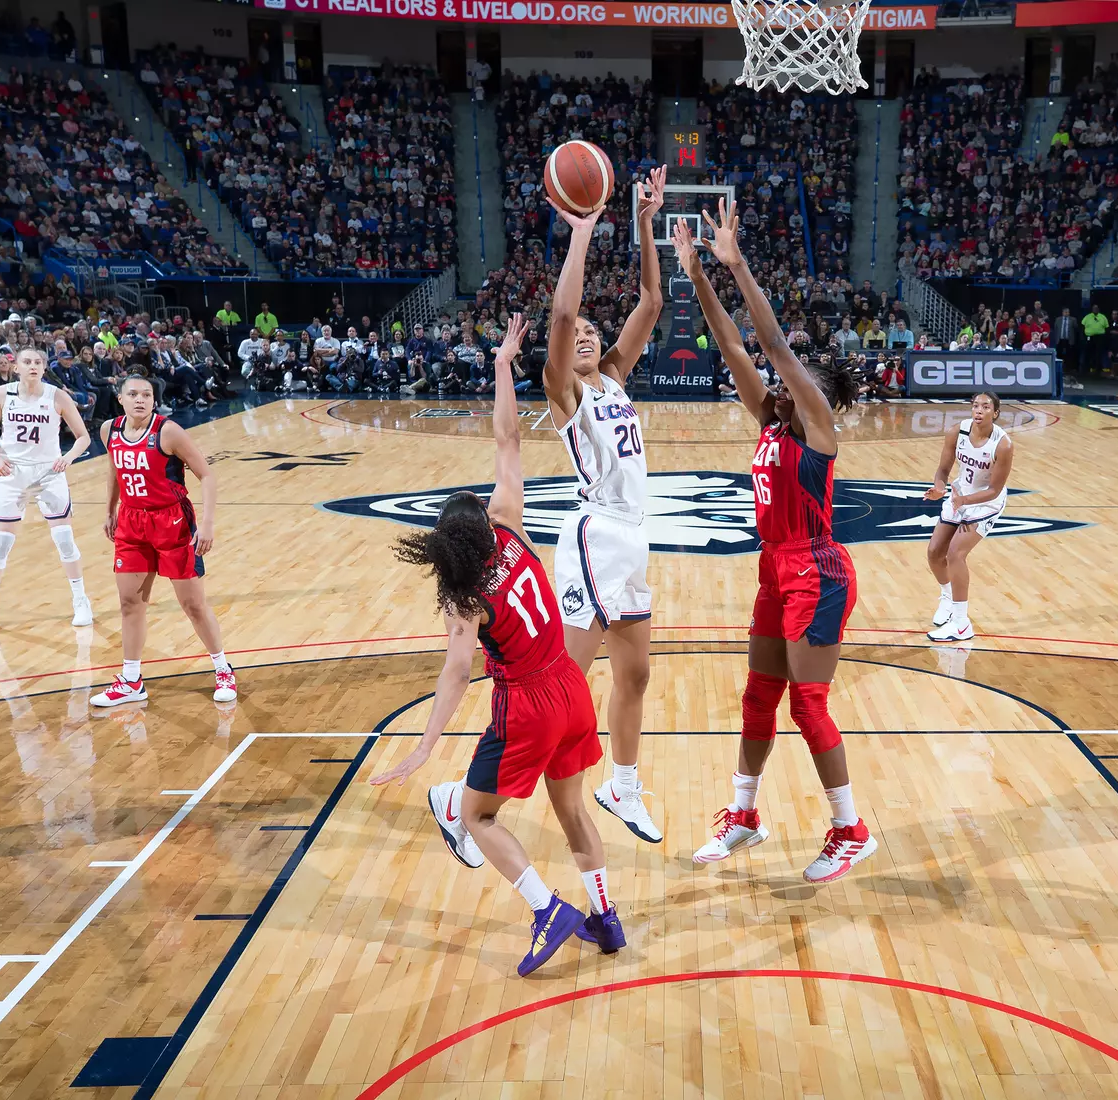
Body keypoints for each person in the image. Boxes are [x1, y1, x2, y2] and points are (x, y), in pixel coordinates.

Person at [368, 317, 623, 977]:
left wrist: (425, 746)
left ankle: (546, 910)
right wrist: (505, 364)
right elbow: (508, 439)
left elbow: (456, 675)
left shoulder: (463, 598)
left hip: (527, 706)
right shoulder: (508, 524)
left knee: (477, 816)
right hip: (569, 685)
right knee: (572, 810)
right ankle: (605, 916)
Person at [673, 203, 875, 884]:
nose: (784, 381)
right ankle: (744, 815)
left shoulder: (817, 428)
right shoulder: (770, 419)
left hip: (817, 570)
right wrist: (698, 276)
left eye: (797, 378)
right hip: (775, 568)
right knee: (759, 695)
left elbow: (775, 348)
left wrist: (737, 266)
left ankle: (850, 830)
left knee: (807, 703)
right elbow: (735, 348)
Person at [542, 167, 668, 844]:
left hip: (632, 536)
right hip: (595, 534)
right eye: (581, 333)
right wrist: (582, 234)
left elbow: (651, 299)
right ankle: (476, 796)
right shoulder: (564, 389)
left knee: (636, 674)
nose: (586, 334)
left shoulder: (614, 378)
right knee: (563, 683)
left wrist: (645, 221)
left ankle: (622, 787)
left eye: (596, 331)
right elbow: (562, 316)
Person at [90, 375, 236, 707]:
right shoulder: (109, 430)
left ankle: (223, 669)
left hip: (172, 522)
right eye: (133, 394)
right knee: (130, 603)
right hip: (131, 522)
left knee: (193, 605)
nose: (140, 399)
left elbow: (207, 475)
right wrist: (110, 510)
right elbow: (115, 471)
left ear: (154, 400)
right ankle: (131, 680)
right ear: (120, 398)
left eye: (146, 394)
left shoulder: (168, 432)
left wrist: (207, 524)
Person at [0, 345, 95, 632]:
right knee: (1, 543)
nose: (33, 366)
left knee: (64, 538)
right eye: (27, 361)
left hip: (48, 471)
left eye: (38, 362)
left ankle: (80, 600)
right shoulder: (2, 394)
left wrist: (67, 458)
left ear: (44, 368)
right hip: (10, 470)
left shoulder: (58, 396)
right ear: (15, 367)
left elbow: (83, 437)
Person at [923, 392, 1013, 642]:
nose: (979, 410)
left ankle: (961, 624)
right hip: (960, 494)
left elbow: (994, 490)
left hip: (986, 503)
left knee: (955, 554)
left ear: (995, 413)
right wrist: (939, 488)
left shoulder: (1003, 445)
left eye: (986, 407)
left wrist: (965, 501)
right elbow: (943, 469)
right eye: (975, 406)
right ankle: (947, 598)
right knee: (934, 552)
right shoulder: (957, 432)